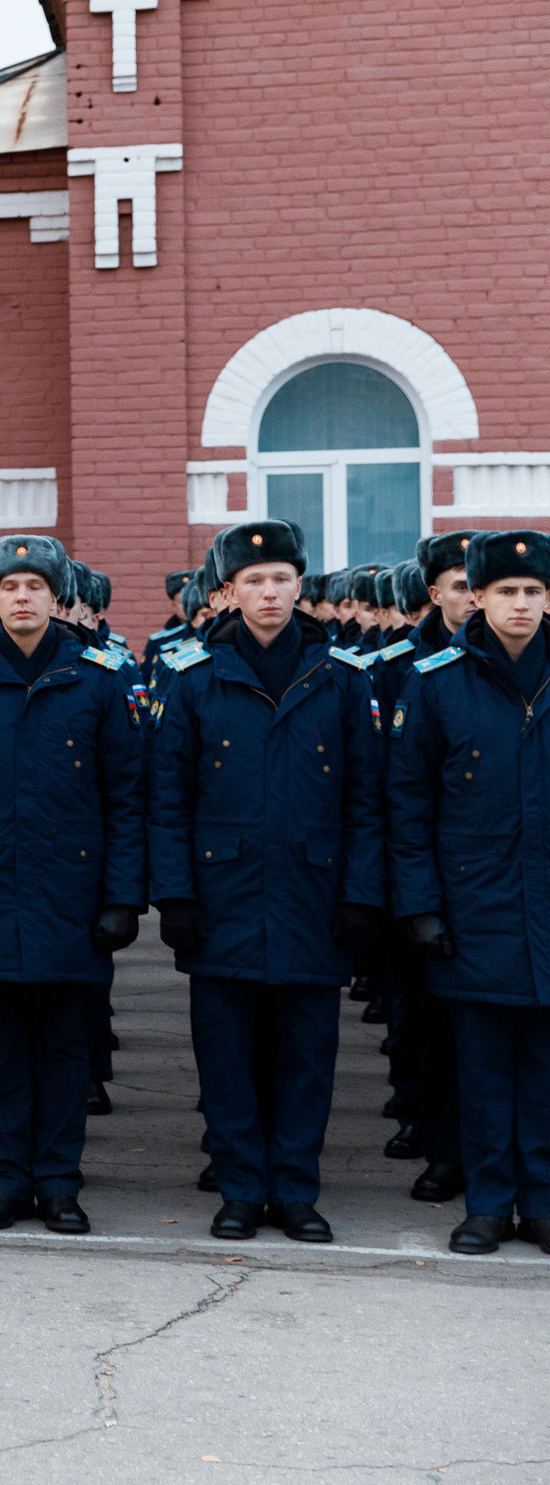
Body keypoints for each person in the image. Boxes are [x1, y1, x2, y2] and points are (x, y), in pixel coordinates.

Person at [150, 521, 383, 1243]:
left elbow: (368, 800)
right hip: (224, 898)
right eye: (253, 580)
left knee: (308, 1056)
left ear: (300, 585)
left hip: (315, 897)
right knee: (228, 1054)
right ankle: (242, 1188)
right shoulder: (194, 678)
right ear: (229, 590)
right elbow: (167, 798)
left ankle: (296, 1190)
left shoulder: (343, 678)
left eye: (281, 577)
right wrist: (177, 895)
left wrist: (361, 894)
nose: (269, 591)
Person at [0, 536, 144, 1234]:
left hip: (72, 896)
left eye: (35, 586)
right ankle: (6, 1180)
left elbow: (127, 796)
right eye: (10, 586)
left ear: (57, 597)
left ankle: (59, 1183)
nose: (22, 597)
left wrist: (121, 897)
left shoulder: (100, 680)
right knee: (1, 1049)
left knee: (66, 1049)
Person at [388, 529, 550, 1254]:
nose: (521, 604)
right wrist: (420, 905)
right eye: (507, 591)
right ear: (475, 597)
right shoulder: (438, 682)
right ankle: (488, 1201)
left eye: (534, 591)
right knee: (481, 1069)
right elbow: (408, 804)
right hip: (473, 907)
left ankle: (541, 1201)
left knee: (545, 1069)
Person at [374, 534, 479, 1202]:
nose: (473, 596)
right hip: (420, 869)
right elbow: (389, 782)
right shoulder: (396, 666)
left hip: (495, 874)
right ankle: (435, 1135)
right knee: (425, 1020)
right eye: (461, 584)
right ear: (434, 592)